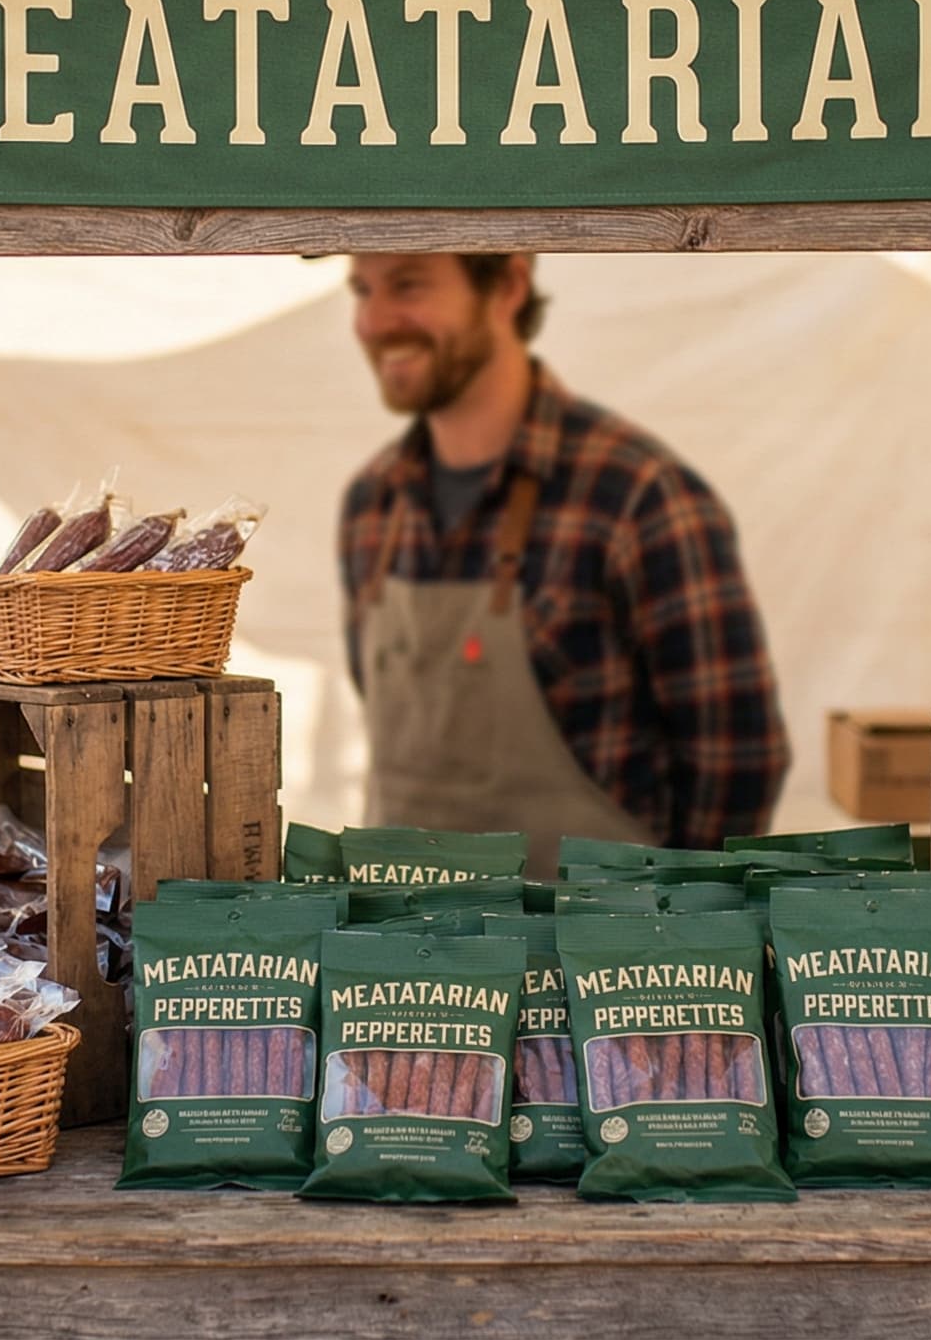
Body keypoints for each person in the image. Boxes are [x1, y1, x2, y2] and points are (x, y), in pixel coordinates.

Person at [336, 253, 790, 877]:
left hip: (591, 960)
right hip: (402, 962)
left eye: (408, 284)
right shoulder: (373, 504)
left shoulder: (638, 497)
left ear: (508, 286)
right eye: (363, 289)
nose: (374, 320)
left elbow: (737, 759)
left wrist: (670, 932)